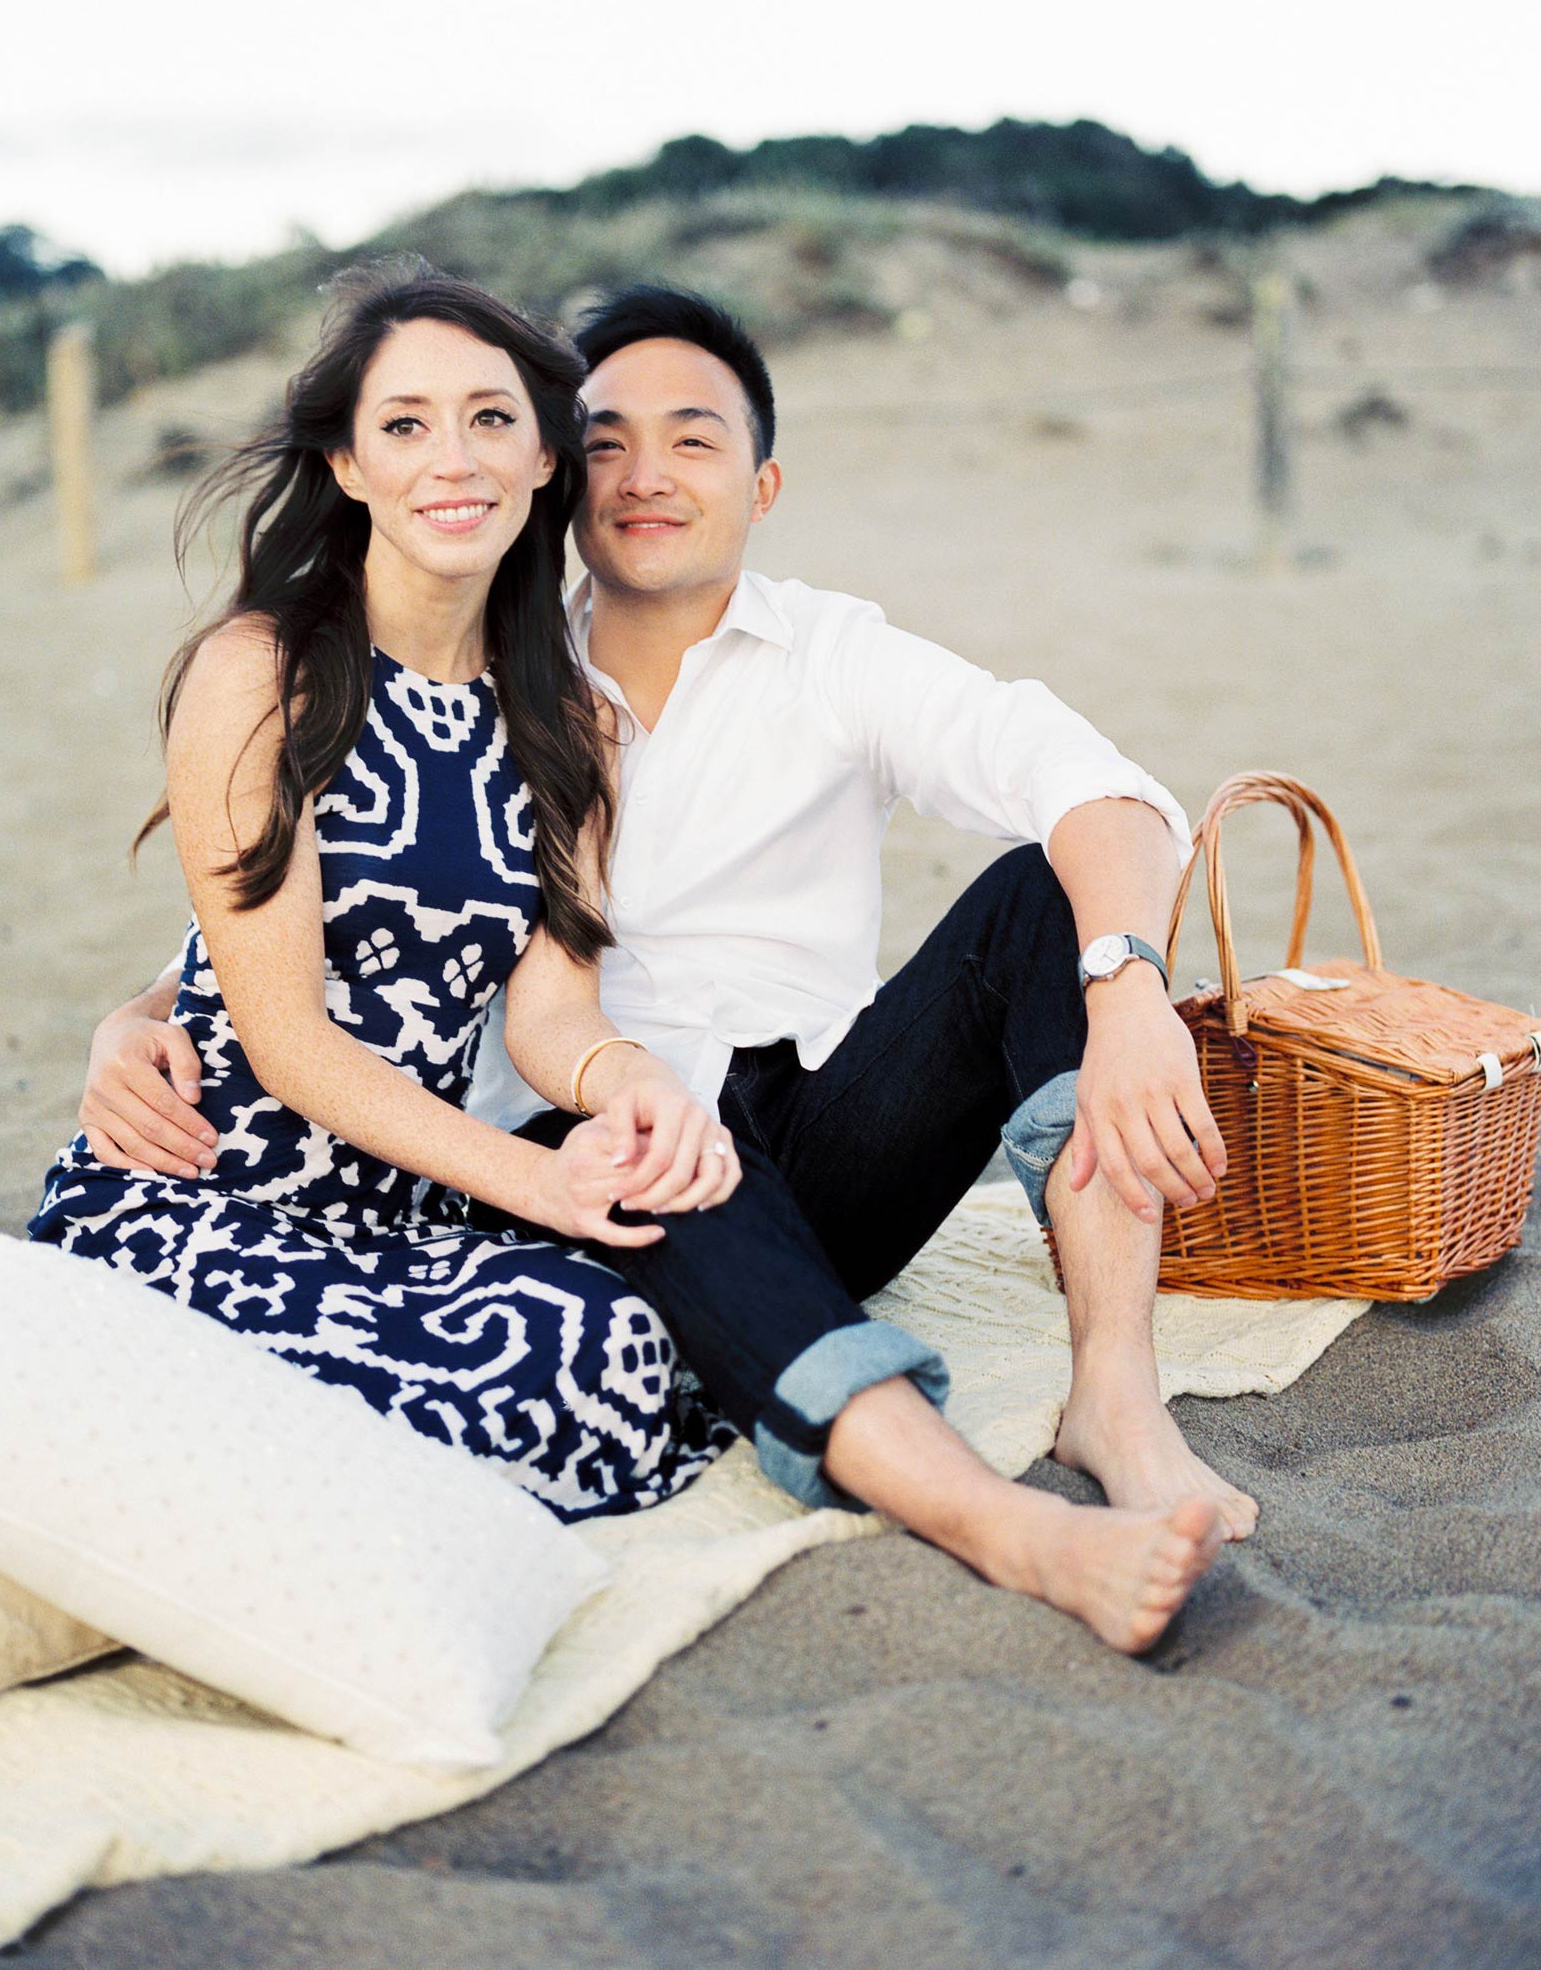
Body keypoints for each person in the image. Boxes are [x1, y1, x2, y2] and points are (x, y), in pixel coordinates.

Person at [85, 283, 1253, 1652]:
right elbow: (305, 964)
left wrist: (1127, 988)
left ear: (759, 482)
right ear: (556, 474)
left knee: (1046, 897)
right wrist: (135, 1013)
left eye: (691, 441)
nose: (644, 477)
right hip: (550, 1159)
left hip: (773, 1132)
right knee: (657, 1175)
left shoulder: (692, 686)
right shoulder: (413, 671)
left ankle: (1114, 1389)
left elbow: (1090, 787)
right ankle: (997, 1520)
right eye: (608, 441)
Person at [29, 266, 742, 1520]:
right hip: (203, 1192)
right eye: (404, 424)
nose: (449, 461)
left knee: (612, 1342)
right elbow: (286, 1038)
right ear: (350, 465)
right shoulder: (263, 672)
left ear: (542, 460)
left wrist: (633, 1085)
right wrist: (540, 1185)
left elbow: (550, 1016)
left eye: (488, 418)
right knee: (536, 1373)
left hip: (399, 1215)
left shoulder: (570, 722)